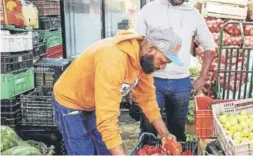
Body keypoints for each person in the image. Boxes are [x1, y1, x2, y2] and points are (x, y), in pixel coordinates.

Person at [53, 28, 183, 155]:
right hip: (70, 102)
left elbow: (147, 98)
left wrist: (164, 134)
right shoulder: (113, 60)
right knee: (82, 149)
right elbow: (107, 118)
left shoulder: (143, 60)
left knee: (105, 147)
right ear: (150, 49)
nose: (163, 67)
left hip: (94, 102)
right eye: (162, 61)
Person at [135, 0, 216, 141]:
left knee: (177, 130)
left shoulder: (194, 15)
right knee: (149, 128)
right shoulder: (149, 10)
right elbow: (137, 46)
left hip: (181, 83)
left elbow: (210, 47)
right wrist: (136, 79)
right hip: (152, 80)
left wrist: (202, 78)